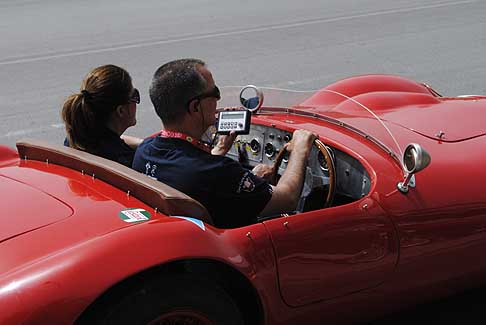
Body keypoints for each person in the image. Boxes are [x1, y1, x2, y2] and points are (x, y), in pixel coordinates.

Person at [132, 58, 316, 228]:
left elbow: (190, 174)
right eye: (214, 92)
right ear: (195, 107)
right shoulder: (216, 172)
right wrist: (300, 148)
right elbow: (287, 199)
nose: (218, 99)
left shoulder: (145, 150)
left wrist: (221, 150)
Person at [61, 64, 142, 167]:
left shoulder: (75, 139)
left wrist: (143, 144)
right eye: (134, 96)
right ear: (121, 111)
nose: (136, 102)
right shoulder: (125, 161)